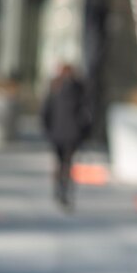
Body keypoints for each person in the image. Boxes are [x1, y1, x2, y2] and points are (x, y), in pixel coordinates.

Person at [42, 64, 91, 209]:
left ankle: (59, 189)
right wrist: (85, 132)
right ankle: (65, 190)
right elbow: (86, 112)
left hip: (57, 132)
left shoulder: (54, 86)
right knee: (68, 163)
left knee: (59, 162)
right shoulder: (79, 88)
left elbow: (46, 111)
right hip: (73, 133)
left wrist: (47, 130)